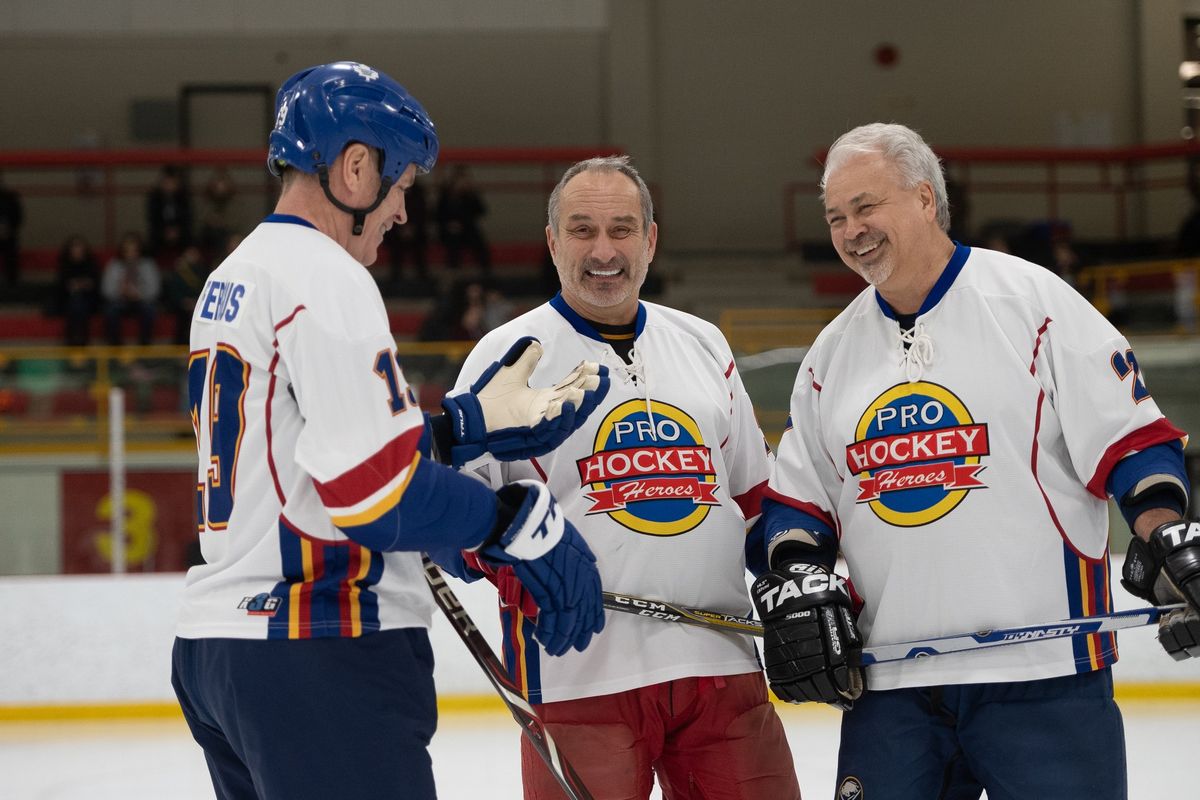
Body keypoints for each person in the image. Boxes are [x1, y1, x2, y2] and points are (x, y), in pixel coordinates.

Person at [170, 61, 610, 800]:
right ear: (354, 168)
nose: (403, 211)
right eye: (401, 185)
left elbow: (307, 459)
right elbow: (374, 498)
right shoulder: (328, 276)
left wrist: (464, 427)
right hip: (322, 648)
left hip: (221, 654)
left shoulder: (238, 273)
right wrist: (515, 522)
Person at [751, 122, 1199, 800]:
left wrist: (1163, 531)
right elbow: (797, 506)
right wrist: (797, 577)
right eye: (837, 216)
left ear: (925, 199)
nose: (851, 230)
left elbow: (1131, 442)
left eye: (866, 207)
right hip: (893, 685)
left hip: (1046, 677)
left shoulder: (1035, 306)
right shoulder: (830, 356)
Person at [438, 156, 801, 799]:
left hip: (721, 669)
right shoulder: (505, 357)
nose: (603, 250)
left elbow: (754, 500)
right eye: (582, 230)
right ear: (552, 241)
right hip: (578, 679)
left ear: (651, 239)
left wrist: (796, 576)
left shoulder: (703, 343)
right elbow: (459, 536)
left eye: (622, 229)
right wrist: (513, 561)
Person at [100, 231, 161, 345]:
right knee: (110, 312)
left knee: (150, 311)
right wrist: (120, 291)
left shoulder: (148, 265)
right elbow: (106, 290)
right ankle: (115, 347)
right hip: (119, 300)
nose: (131, 254)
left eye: (134, 250)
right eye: (127, 251)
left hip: (142, 301)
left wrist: (139, 294)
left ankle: (144, 347)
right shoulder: (114, 265)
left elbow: (154, 290)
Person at [436, 163, 491, 274]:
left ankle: (486, 272)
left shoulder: (470, 195)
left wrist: (472, 194)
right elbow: (438, 214)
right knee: (453, 242)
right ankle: (453, 271)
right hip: (449, 230)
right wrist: (449, 224)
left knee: (479, 243)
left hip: (468, 228)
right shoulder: (446, 195)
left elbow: (482, 211)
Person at [54, 234, 101, 346]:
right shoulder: (64, 266)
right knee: (76, 301)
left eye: (80, 247)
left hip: (90, 300)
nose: (77, 250)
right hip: (67, 300)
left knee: (79, 302)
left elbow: (97, 286)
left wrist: (82, 286)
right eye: (74, 247)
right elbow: (59, 288)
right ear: (69, 250)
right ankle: (79, 338)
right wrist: (73, 287)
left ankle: (74, 338)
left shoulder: (92, 265)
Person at [146, 164, 193, 261]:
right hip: (160, 232)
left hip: (181, 232)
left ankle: (184, 268)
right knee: (150, 245)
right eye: (166, 182)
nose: (169, 185)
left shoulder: (183, 197)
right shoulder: (155, 198)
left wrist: (177, 231)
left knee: (191, 242)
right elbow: (152, 218)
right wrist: (165, 231)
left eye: (172, 182)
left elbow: (188, 217)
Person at [0, 172, 22, 287]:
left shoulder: (10, 197)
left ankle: (12, 288)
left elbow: (18, 216)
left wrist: (9, 229)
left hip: (9, 235)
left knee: (11, 261)